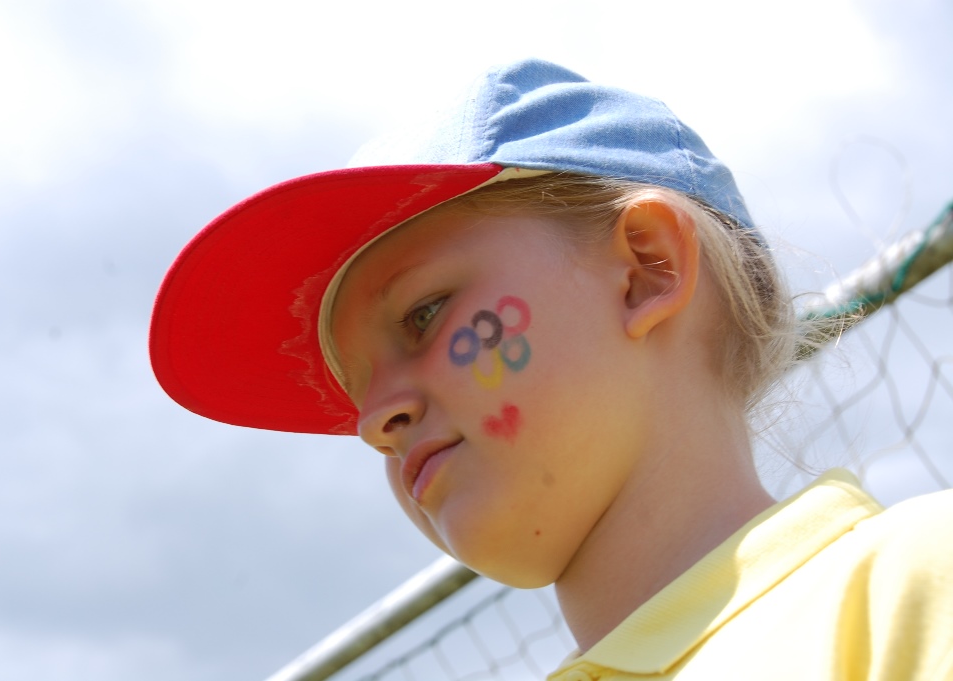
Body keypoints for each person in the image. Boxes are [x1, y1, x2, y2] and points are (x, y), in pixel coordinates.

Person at [149, 60, 953, 679]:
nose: (372, 424)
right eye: (357, 387)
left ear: (644, 268)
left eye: (424, 313)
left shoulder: (911, 584)